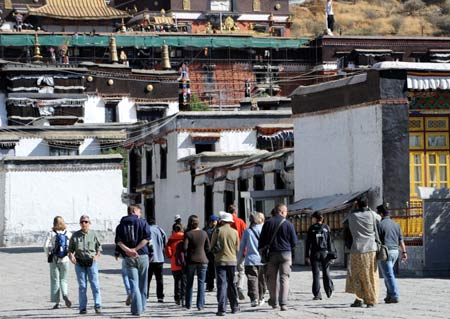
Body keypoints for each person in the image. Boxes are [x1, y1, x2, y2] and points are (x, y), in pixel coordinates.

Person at [259, 203, 298, 311]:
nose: (286, 214)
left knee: (272, 279)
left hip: (272, 254)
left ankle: (274, 302)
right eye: (285, 212)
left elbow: (261, 241)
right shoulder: (288, 224)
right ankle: (283, 303)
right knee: (284, 278)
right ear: (281, 212)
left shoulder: (267, 223)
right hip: (286, 254)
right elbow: (294, 242)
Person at [343, 197, 380, 308]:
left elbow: (344, 222)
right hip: (371, 249)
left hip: (357, 249)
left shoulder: (352, 216)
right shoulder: (373, 214)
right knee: (370, 275)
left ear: (357, 205)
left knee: (356, 275)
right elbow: (379, 219)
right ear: (367, 204)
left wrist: (353, 209)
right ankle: (371, 299)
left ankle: (359, 298)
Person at [115, 205, 151, 316]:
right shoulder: (143, 223)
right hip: (142, 255)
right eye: (139, 212)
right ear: (134, 211)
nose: (140, 214)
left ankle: (136, 309)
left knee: (134, 284)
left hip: (128, 257)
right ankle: (142, 307)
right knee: (143, 284)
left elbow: (118, 242)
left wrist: (129, 251)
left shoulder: (120, 225)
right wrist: (135, 249)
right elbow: (147, 238)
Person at [68, 215, 102, 315]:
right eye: (82, 222)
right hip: (79, 263)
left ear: (89, 223)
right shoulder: (75, 235)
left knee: (95, 284)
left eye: (86, 222)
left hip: (92, 263)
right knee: (82, 286)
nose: (84, 224)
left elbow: (99, 248)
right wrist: (71, 257)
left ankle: (98, 305)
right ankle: (82, 307)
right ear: (80, 223)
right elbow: (70, 249)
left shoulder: (93, 234)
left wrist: (96, 256)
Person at [376, 205, 408, 304]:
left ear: (381, 214)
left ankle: (395, 295)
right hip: (396, 252)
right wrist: (404, 252)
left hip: (386, 252)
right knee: (387, 274)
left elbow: (377, 241)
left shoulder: (379, 225)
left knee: (389, 275)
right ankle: (389, 296)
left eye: (378, 213)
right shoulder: (396, 224)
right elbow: (401, 240)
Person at [211, 211, 240, 316]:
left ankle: (222, 309)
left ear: (221, 221)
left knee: (222, 284)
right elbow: (237, 248)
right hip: (232, 261)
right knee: (232, 284)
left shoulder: (217, 231)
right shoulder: (235, 232)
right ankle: (235, 307)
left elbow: (211, 247)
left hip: (220, 261)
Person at [237, 212, 266, 307]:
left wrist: (239, 261)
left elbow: (242, 248)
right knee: (262, 280)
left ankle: (254, 298)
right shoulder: (264, 230)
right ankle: (261, 297)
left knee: (252, 279)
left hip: (250, 260)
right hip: (263, 259)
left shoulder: (247, 232)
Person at [43, 216, 72, 309]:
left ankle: (57, 302)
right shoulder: (68, 233)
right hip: (65, 259)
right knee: (64, 279)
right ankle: (65, 295)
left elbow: (45, 246)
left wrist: (48, 255)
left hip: (55, 259)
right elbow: (72, 246)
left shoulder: (51, 233)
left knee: (55, 280)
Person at [305, 211, 334, 300]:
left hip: (314, 253)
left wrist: (307, 255)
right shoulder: (326, 227)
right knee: (326, 273)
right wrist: (331, 253)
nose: (312, 219)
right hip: (325, 253)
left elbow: (308, 243)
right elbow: (330, 242)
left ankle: (317, 294)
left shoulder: (311, 228)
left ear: (316, 218)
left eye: (313, 218)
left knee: (316, 274)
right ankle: (329, 291)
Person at [183, 214, 210, 311]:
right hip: (203, 260)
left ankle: (188, 304)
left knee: (189, 282)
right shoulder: (204, 233)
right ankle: (200, 305)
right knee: (201, 283)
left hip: (191, 260)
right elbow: (208, 247)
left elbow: (184, 248)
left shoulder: (188, 234)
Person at [228, 205, 247, 300]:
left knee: (232, 270)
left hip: (229, 249)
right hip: (240, 248)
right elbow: (245, 234)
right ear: (235, 212)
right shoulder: (240, 221)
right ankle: (240, 286)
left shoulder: (226, 222)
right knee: (241, 270)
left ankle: (233, 286)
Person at [165, 223, 186, 306]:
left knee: (177, 281)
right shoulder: (185, 237)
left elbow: (168, 254)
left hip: (174, 263)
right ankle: (184, 297)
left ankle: (177, 298)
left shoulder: (170, 239)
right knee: (184, 281)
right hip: (184, 263)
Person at [147, 218, 167, 303]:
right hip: (159, 258)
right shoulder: (160, 230)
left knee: (147, 279)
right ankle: (160, 297)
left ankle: (146, 295)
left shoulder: (146, 230)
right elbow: (165, 242)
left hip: (149, 259)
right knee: (159, 279)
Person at [203, 215, 219, 292]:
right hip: (209, 252)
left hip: (212, 252)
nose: (216, 222)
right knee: (210, 269)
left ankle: (210, 285)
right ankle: (210, 285)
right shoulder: (208, 230)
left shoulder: (207, 230)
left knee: (211, 269)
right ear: (212, 222)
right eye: (215, 221)